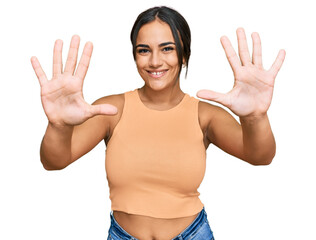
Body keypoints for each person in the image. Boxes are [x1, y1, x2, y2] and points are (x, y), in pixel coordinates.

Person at [31, 6, 285, 240]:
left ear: (184, 54)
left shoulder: (204, 115)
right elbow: (54, 161)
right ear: (135, 56)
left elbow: (260, 156)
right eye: (144, 50)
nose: (154, 61)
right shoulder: (111, 110)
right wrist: (59, 125)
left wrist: (255, 117)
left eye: (167, 48)